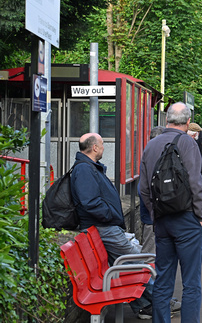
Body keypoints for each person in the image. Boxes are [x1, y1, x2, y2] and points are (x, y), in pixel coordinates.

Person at [70, 133, 159, 319]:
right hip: (104, 227)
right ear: (94, 147)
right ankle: (161, 299)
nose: (103, 147)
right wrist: (111, 216)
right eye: (102, 144)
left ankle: (144, 305)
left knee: (130, 262)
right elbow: (90, 202)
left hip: (105, 226)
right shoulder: (84, 170)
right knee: (137, 260)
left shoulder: (90, 167)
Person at [140, 102, 202, 323]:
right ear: (188, 122)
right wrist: (201, 216)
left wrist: (154, 215)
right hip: (187, 219)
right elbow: (196, 184)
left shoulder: (150, 145)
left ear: (166, 119)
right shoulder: (188, 144)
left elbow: (143, 188)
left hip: (162, 222)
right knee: (191, 282)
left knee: (163, 280)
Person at [139, 126, 165, 254]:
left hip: (153, 215)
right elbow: (143, 189)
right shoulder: (153, 158)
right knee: (150, 254)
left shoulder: (147, 154)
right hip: (152, 217)